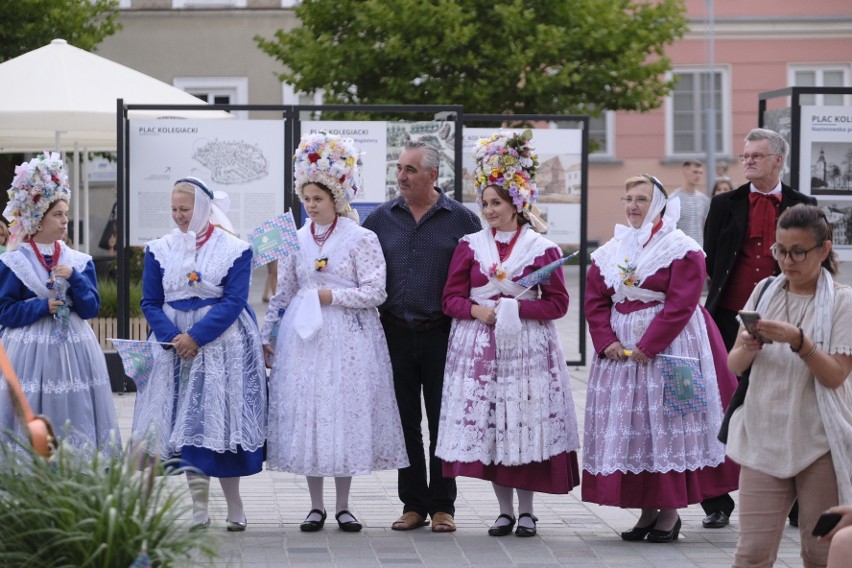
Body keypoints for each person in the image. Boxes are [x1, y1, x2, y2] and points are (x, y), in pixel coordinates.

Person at [261, 132, 408, 533]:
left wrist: (332, 295)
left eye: (318, 199)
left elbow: (376, 291)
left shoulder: (362, 238)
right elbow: (285, 291)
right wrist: (266, 333)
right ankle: (315, 505)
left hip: (348, 336)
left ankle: (344, 505)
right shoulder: (295, 239)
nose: (310, 206)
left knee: (340, 414)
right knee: (311, 413)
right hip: (304, 338)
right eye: (306, 199)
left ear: (337, 198)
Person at [436, 131, 581, 537]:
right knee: (494, 427)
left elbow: (558, 305)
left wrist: (516, 308)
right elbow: (450, 298)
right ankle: (503, 510)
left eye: (496, 203)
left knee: (523, 422)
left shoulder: (541, 248)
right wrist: (477, 310)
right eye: (484, 204)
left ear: (516, 203)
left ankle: (528, 511)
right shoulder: (470, 245)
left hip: (526, 349)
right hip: (479, 348)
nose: (488, 210)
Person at [583, 174, 739, 543]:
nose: (633, 206)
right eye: (628, 198)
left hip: (672, 348)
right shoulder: (614, 247)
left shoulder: (681, 247)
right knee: (636, 430)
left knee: (666, 428)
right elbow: (595, 298)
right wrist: (605, 339)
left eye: (641, 199)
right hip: (621, 353)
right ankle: (647, 512)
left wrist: (650, 345)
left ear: (660, 205)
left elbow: (682, 303)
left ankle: (669, 514)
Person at [132, 177, 267, 532]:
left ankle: (235, 505)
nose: (178, 215)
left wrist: (196, 336)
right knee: (185, 424)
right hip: (172, 346)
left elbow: (235, 300)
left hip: (221, 345)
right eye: (174, 209)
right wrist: (174, 336)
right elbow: (150, 301)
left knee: (217, 421)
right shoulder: (159, 248)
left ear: (204, 208)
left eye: (185, 209)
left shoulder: (235, 248)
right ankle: (198, 508)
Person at [363, 140, 481, 533]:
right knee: (404, 422)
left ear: (433, 175)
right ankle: (412, 504)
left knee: (443, 420)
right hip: (394, 332)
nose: (401, 176)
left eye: (410, 169)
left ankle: (443, 505)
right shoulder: (380, 219)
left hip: (442, 334)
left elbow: (478, 278)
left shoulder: (462, 220)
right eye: (399, 168)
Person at [726, 204, 852, 567]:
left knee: (821, 551)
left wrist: (800, 341)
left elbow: (835, 376)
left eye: (799, 251)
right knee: (751, 554)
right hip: (763, 434)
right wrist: (748, 347)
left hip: (820, 442)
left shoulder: (842, 301)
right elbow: (734, 365)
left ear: (824, 249)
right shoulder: (765, 291)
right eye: (780, 250)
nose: (787, 260)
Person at [703, 128, 816, 529]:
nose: (747, 160)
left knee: (787, 402)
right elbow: (714, 262)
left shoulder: (804, 204)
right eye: (745, 155)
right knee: (718, 404)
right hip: (727, 317)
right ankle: (716, 501)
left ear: (778, 160)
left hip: (786, 318)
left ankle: (798, 501)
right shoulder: (724, 204)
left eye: (756, 155)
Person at [0, 153, 120, 459]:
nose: (65, 221)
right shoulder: (14, 262)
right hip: (27, 352)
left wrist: (76, 279)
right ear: (37, 217)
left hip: (74, 349)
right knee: (32, 400)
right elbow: (5, 311)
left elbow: (91, 308)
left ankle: (72, 461)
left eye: (66, 214)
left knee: (73, 403)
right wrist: (42, 307)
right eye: (57, 215)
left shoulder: (78, 261)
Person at [670, 159, 710, 247]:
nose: (698, 175)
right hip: (680, 249)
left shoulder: (704, 200)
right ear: (685, 171)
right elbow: (669, 228)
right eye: (695, 172)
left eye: (700, 173)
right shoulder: (674, 199)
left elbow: (706, 227)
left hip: (699, 249)